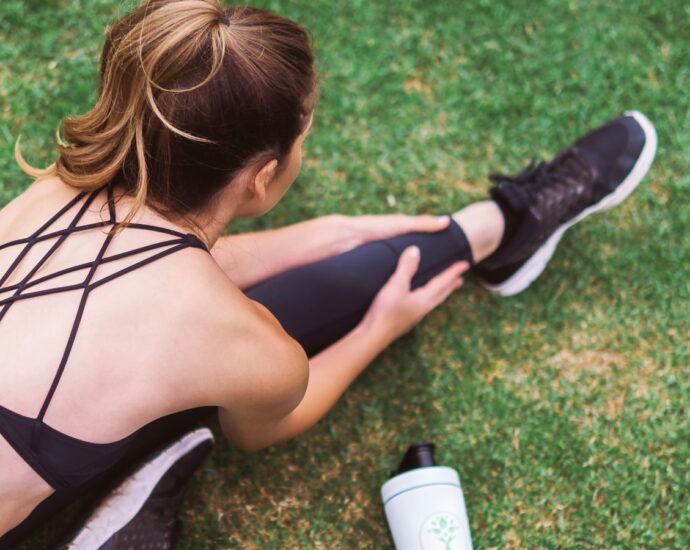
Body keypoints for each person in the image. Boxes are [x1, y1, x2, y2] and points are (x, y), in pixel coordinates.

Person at [0, 1, 656, 547]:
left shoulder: (59, 187)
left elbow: (152, 271)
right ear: (262, 175)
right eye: (303, 138)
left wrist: (328, 234)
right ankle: (498, 232)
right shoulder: (245, 343)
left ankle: (495, 231)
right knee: (209, 393)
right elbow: (259, 428)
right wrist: (381, 326)